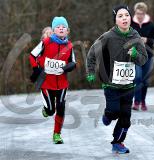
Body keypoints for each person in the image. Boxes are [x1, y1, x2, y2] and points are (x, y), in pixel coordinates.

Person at [86, 5, 147, 154]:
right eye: (120, 16)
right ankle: (107, 115)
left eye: (126, 15)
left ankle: (118, 142)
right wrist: (91, 70)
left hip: (128, 86)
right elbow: (92, 52)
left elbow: (143, 59)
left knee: (126, 118)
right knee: (113, 112)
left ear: (130, 17)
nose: (124, 18)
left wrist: (134, 54)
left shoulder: (135, 36)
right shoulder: (108, 36)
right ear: (115, 20)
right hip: (111, 84)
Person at [29, 16, 76, 144]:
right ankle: (47, 110)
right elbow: (33, 55)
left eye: (63, 27)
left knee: (61, 107)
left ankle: (57, 134)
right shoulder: (46, 42)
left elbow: (73, 63)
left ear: (67, 31)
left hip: (62, 83)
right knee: (51, 111)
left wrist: (68, 67)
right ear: (54, 30)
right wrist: (36, 69)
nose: (61, 29)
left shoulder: (70, 45)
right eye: (58, 27)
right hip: (47, 83)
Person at [131, 2, 154, 111]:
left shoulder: (150, 25)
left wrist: (148, 40)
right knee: (137, 77)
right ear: (135, 13)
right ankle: (136, 102)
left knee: (145, 80)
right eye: (138, 13)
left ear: (145, 13)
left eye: (142, 13)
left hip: (148, 56)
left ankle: (143, 101)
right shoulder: (131, 25)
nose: (140, 16)